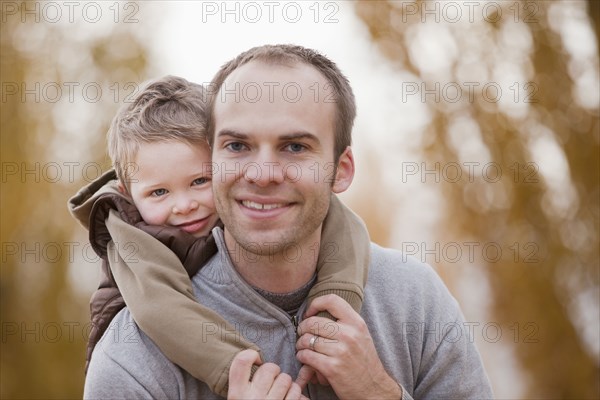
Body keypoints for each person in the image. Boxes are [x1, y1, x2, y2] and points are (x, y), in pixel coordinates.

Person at [83, 45, 493, 399]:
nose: (263, 175)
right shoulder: (132, 355)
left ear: (342, 169)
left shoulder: (416, 301)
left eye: (295, 147)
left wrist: (378, 393)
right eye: (237, 145)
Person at [69, 75, 370, 397]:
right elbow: (162, 311)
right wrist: (238, 371)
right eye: (159, 192)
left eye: (200, 181)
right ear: (129, 194)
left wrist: (333, 308)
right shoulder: (133, 240)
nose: (184, 206)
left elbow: (337, 219)